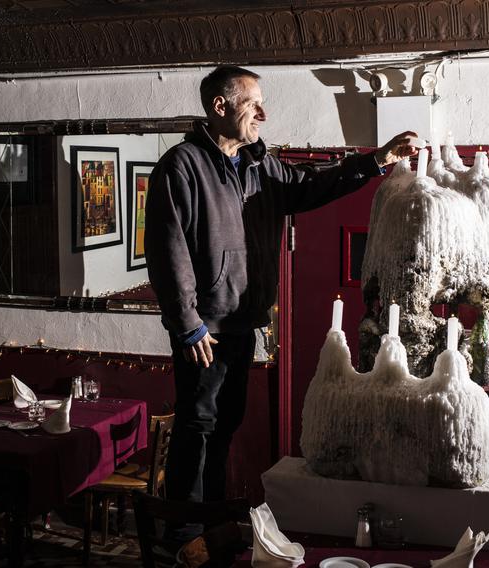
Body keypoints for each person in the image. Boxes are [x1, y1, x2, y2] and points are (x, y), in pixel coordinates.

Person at [145, 65, 418, 505]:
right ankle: (184, 535)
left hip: (241, 324)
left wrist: (376, 161)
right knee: (198, 427)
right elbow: (166, 251)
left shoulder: (259, 165)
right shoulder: (182, 166)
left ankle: (210, 526)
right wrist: (188, 323)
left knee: (224, 427)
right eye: (253, 104)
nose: (263, 114)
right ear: (220, 106)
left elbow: (313, 184)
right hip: (205, 332)